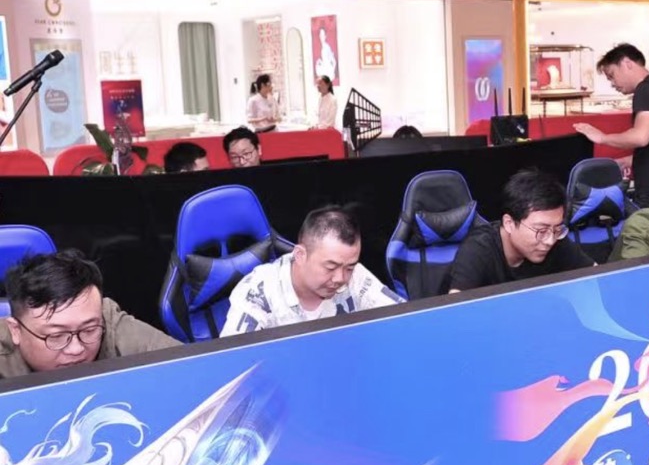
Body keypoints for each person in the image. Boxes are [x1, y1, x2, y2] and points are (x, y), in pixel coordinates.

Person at [221, 205, 404, 336]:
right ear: (300, 255)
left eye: (349, 267)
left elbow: (404, 319)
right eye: (330, 267)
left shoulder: (355, 274)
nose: (340, 278)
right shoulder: (258, 291)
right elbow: (234, 363)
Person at [0, 250, 179, 378]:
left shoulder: (107, 321)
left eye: (89, 330)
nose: (76, 349)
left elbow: (186, 366)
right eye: (57, 336)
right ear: (15, 330)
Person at [573, 43, 649, 207]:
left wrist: (602, 138)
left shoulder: (646, 89)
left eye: (611, 75)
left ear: (627, 63)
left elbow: (640, 137)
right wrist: (631, 160)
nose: (612, 84)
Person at [448, 170, 595, 292]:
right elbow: (457, 307)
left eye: (557, 229)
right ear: (509, 223)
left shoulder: (554, 236)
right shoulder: (478, 249)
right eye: (541, 230)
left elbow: (596, 276)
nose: (550, 241)